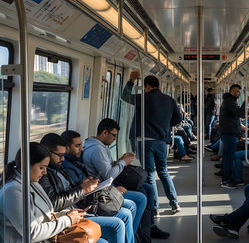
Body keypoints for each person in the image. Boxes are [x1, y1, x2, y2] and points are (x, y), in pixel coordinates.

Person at [38, 133, 136, 243]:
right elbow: (53, 203)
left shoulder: (58, 167)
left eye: (63, 155)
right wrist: (81, 189)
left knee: (126, 213)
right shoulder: (43, 175)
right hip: (68, 215)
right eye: (59, 155)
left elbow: (68, 190)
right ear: (47, 153)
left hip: (78, 206)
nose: (63, 158)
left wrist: (82, 185)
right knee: (117, 225)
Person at [0, 142, 93, 242]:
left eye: (46, 167)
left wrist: (66, 214)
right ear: (26, 165)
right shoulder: (12, 192)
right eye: (41, 167)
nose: (45, 172)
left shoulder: (32, 183)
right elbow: (32, 233)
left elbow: (47, 216)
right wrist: (68, 220)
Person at [121, 71, 183, 214]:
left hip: (146, 141)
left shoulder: (143, 98)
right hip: (162, 141)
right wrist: (166, 125)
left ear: (147, 86)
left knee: (149, 174)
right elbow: (178, 118)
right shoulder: (169, 100)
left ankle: (154, 207)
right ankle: (174, 203)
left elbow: (125, 96)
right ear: (158, 86)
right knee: (164, 172)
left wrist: (131, 80)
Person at [219, 84, 249, 189]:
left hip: (228, 133)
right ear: (232, 91)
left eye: (239, 92)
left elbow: (234, 118)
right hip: (229, 134)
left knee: (227, 156)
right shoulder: (230, 102)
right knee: (229, 157)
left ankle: (226, 177)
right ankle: (225, 180)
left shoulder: (229, 101)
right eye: (237, 92)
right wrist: (246, 102)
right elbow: (240, 114)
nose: (238, 94)